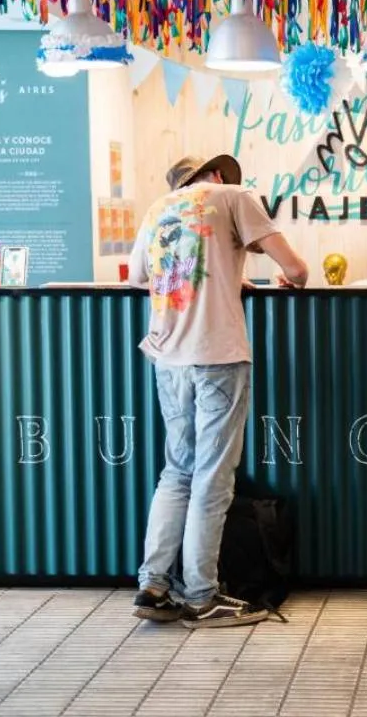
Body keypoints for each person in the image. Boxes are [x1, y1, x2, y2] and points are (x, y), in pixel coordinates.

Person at [127, 153, 309, 628]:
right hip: (217, 355)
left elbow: (138, 277)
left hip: (168, 358)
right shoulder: (233, 196)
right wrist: (291, 279)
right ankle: (202, 596)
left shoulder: (158, 208)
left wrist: (224, 278)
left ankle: (153, 585)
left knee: (177, 472)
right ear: (214, 175)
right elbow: (296, 268)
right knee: (212, 477)